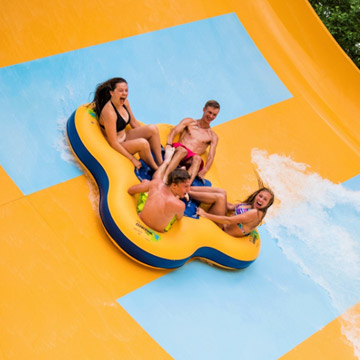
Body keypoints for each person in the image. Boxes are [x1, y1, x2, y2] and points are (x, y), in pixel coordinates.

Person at [91, 77, 163, 170]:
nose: (124, 93)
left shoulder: (125, 102)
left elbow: (133, 123)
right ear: (112, 93)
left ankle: (160, 163)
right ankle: (157, 169)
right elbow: (113, 143)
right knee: (143, 143)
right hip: (118, 144)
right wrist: (132, 159)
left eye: (126, 90)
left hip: (125, 136)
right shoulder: (109, 112)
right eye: (121, 91)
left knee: (152, 129)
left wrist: (148, 136)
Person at [128, 151, 191, 233]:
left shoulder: (155, 184)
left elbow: (131, 190)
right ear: (174, 186)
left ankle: (166, 162)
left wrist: (147, 185)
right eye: (186, 186)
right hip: (157, 233)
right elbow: (179, 217)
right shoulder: (180, 205)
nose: (188, 190)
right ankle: (169, 164)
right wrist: (177, 197)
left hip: (140, 219)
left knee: (153, 184)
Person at [162, 100, 220, 184]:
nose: (211, 116)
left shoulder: (212, 136)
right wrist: (169, 144)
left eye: (214, 115)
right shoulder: (189, 122)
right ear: (204, 109)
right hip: (179, 150)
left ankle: (185, 187)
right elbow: (174, 131)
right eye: (209, 112)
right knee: (183, 151)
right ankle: (165, 178)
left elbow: (211, 156)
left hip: (190, 159)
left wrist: (204, 171)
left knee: (197, 158)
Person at [189, 186, 274, 237]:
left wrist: (205, 214)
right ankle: (189, 188)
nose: (261, 199)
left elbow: (229, 221)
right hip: (223, 223)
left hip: (222, 230)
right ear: (256, 195)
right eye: (260, 196)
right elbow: (230, 206)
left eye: (265, 199)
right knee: (222, 193)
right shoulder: (251, 205)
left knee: (220, 197)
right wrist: (214, 200)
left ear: (267, 205)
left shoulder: (255, 213)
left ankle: (187, 192)